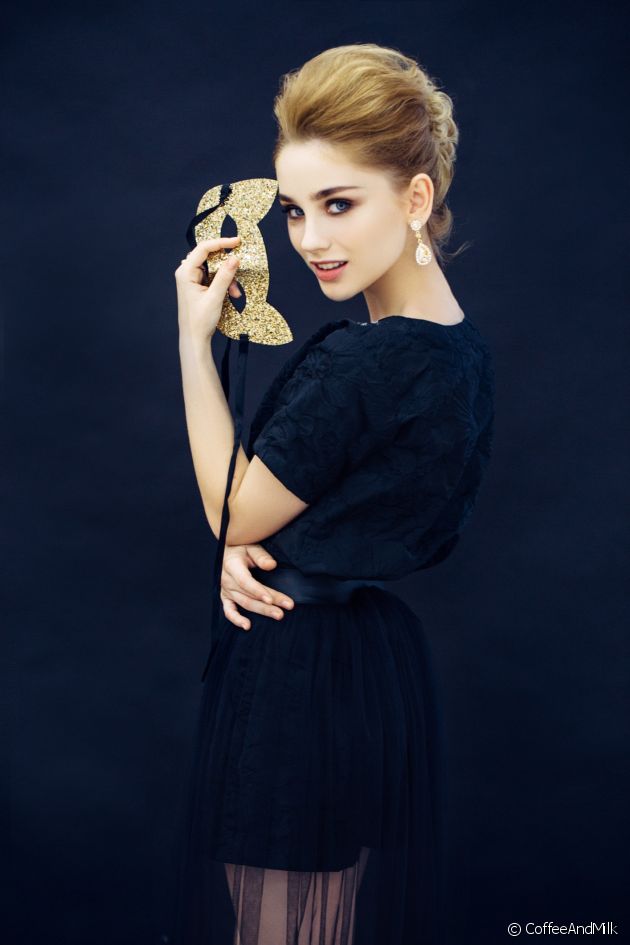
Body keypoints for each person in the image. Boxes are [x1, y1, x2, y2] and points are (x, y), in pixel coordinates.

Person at [170, 43, 495, 945]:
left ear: (416, 198)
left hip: (303, 675)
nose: (309, 238)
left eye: (339, 204)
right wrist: (254, 544)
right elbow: (343, 503)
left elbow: (235, 508)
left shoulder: (373, 358)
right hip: (364, 663)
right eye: (295, 209)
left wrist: (194, 342)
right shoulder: (455, 345)